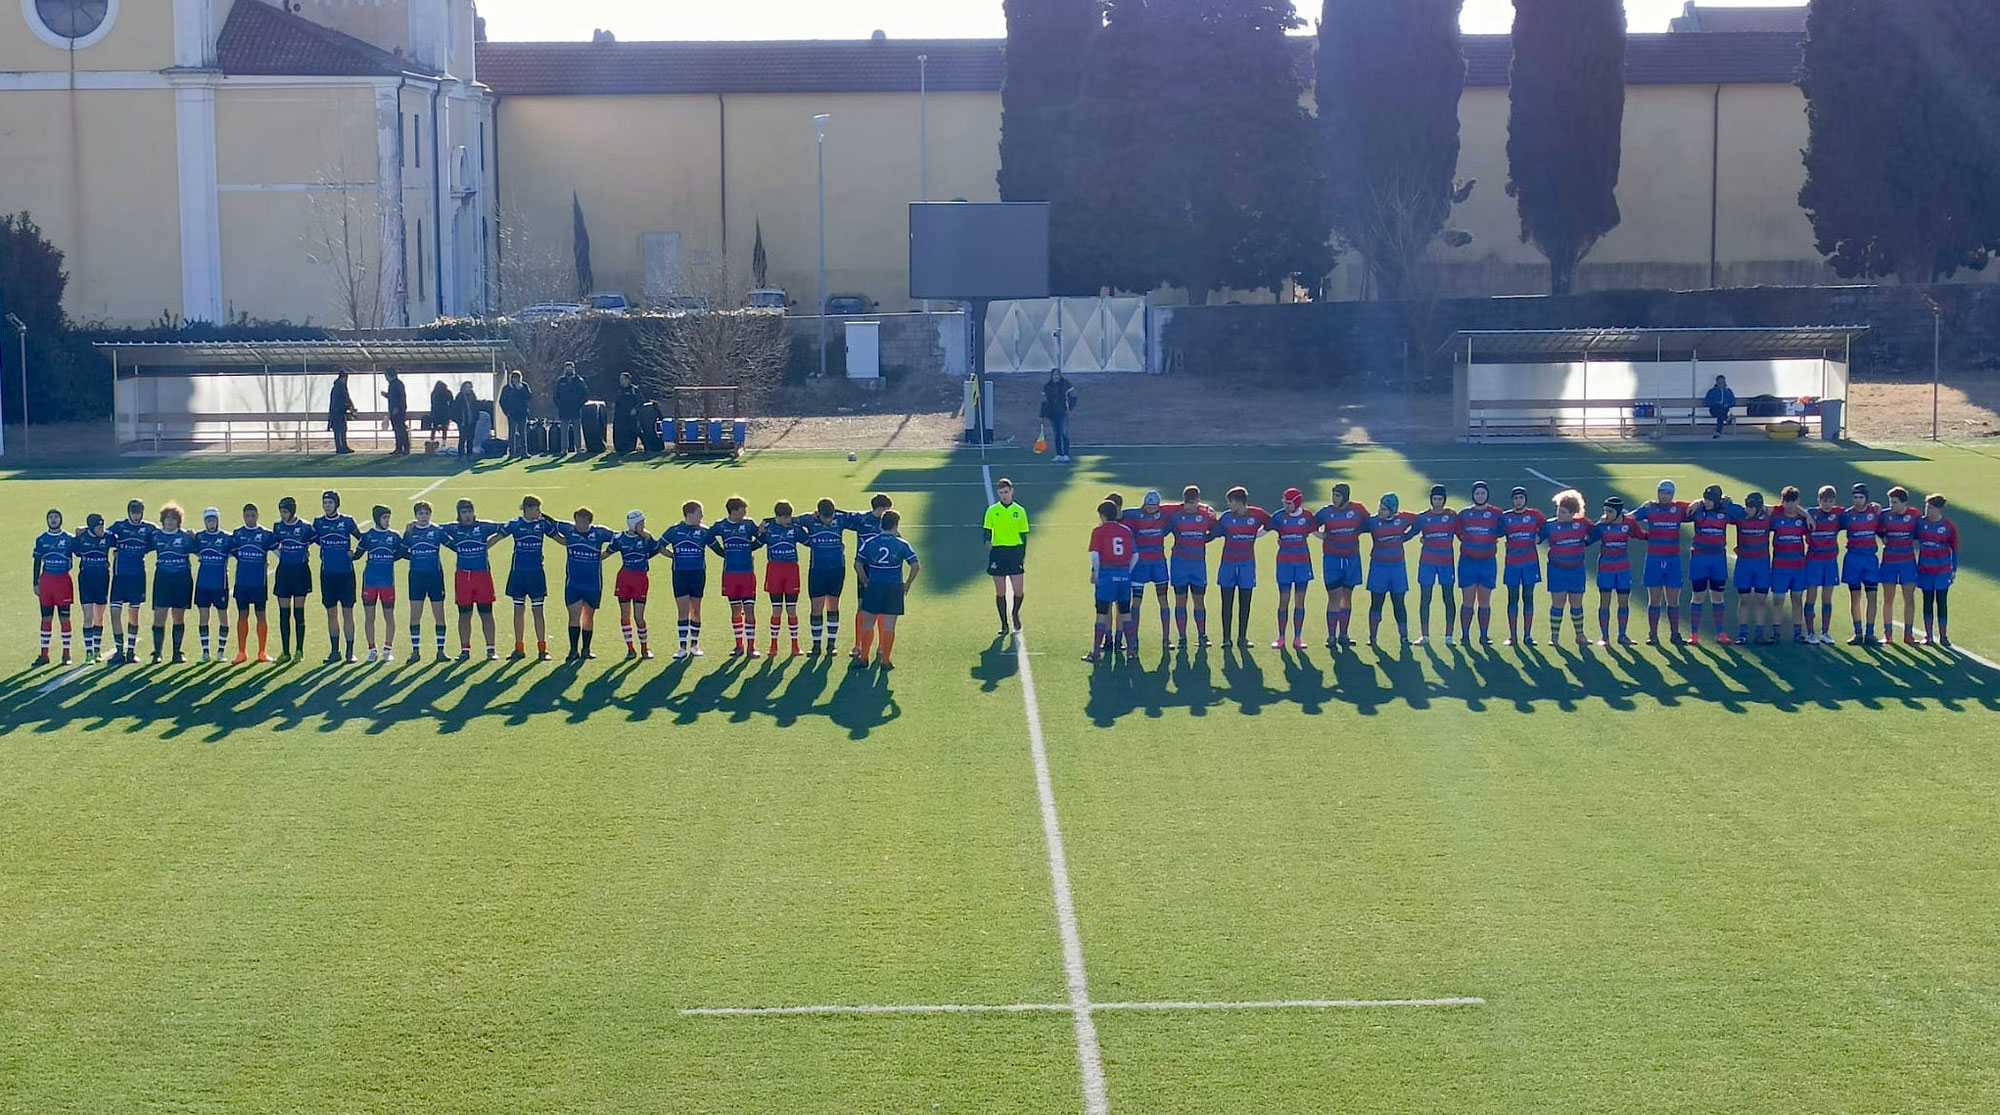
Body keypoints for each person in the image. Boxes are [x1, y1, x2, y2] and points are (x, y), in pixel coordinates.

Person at [852, 509, 920, 668]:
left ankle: (864, 658)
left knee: (868, 623)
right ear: (896, 525)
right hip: (894, 588)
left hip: (874, 586)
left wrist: (865, 580)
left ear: (881, 524)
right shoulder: (902, 544)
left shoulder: (870, 542)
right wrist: (907, 583)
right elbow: (915, 566)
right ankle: (885, 660)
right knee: (889, 625)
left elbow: (857, 563)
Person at [442, 499, 504, 660]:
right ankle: (465, 649)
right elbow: (432, 528)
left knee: (486, 612)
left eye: (469, 511)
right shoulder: (454, 528)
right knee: (464, 613)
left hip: (482, 575)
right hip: (463, 576)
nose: (467, 515)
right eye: (464, 512)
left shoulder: (483, 527)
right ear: (459, 515)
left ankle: (491, 649)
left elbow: (506, 528)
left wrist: (490, 543)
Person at [1631, 480, 1691, 645]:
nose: (1664, 495)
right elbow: (1630, 518)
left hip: (1673, 560)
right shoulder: (1649, 508)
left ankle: (1675, 634)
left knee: (1673, 600)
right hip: (1654, 559)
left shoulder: (1679, 508)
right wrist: (1641, 534)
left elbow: (1697, 508)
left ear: (1672, 494)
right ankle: (1653, 634)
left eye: (1667, 493)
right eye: (1661, 492)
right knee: (1654, 599)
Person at [555, 507, 618, 660]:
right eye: (577, 521)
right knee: (574, 615)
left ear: (589, 522)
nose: (579, 524)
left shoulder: (599, 533)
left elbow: (619, 538)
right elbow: (550, 523)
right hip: (574, 583)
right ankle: (573, 650)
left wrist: (607, 553)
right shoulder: (569, 530)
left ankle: (586, 649)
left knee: (588, 616)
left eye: (583, 521)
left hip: (593, 584)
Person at [500, 495, 558, 660]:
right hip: (518, 573)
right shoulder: (515, 524)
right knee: (518, 610)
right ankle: (519, 648)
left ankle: (542, 649)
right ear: (527, 509)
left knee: (538, 610)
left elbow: (561, 539)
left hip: (536, 573)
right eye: (536, 509)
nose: (539, 512)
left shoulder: (543, 524)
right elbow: (497, 537)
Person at [1213, 486, 1269, 650]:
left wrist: (1258, 534)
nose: (1228, 505)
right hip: (1228, 565)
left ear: (1238, 502)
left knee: (1245, 603)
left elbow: (1273, 523)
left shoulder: (1257, 514)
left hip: (1247, 565)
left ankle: (1242, 638)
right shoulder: (1226, 517)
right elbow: (1213, 533)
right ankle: (1226, 638)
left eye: (1229, 502)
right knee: (1227, 603)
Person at [1314, 483, 1368, 648]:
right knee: (1334, 596)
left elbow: (1370, 524)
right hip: (1332, 560)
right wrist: (1323, 537)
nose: (1334, 499)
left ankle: (1343, 634)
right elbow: (1310, 526)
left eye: (1337, 495)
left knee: (1347, 596)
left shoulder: (1358, 509)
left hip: (1352, 558)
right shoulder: (1326, 512)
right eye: (1333, 495)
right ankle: (1331, 636)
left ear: (1345, 497)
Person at [1686, 485, 1741, 646]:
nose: (1707, 502)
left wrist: (1727, 502)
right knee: (1698, 596)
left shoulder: (1725, 511)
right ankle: (1694, 634)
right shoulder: (1698, 510)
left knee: (1717, 596)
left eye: (1711, 499)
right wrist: (1697, 501)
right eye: (1705, 498)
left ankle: (1720, 633)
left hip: (1718, 560)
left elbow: (1741, 512)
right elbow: (1683, 513)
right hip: (1699, 559)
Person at [1120, 491, 1173, 652]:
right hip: (1140, 566)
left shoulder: (1164, 514)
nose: (1151, 509)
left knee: (1163, 600)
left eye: (1154, 506)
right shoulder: (1134, 515)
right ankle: (1133, 638)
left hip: (1158, 564)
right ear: (1144, 504)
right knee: (1136, 602)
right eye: (1149, 506)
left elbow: (1180, 507)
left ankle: (1166, 639)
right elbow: (1119, 514)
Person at [105, 499, 157, 665]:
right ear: (128, 512)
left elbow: (164, 536)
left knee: (134, 613)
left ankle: (131, 651)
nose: (136, 515)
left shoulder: (148, 528)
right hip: (120, 576)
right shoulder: (119, 526)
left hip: (137, 576)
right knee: (114, 612)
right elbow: (102, 534)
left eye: (138, 511)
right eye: (133, 511)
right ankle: (119, 650)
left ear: (143, 512)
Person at [1540, 490, 1594, 650]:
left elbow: (1598, 531)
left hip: (1576, 570)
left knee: (1576, 604)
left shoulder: (1582, 524)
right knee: (1557, 604)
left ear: (1573, 513)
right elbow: (1537, 538)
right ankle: (1554, 637)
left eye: (1563, 512)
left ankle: (1580, 635)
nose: (1559, 514)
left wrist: (1587, 542)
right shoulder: (1550, 525)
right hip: (1556, 571)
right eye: (1559, 510)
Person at [314, 490, 363, 664]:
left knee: (348, 613)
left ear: (336, 504)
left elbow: (363, 539)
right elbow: (310, 538)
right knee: (331, 613)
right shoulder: (318, 522)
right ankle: (335, 651)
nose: (327, 505)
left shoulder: (347, 521)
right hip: (327, 574)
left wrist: (356, 554)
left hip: (346, 574)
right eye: (325, 502)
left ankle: (350, 652)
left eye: (330, 502)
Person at [713, 496, 765, 657]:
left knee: (749, 610)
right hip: (730, 575)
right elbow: (707, 537)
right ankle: (738, 646)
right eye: (743, 509)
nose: (745, 512)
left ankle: (751, 647)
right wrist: (722, 552)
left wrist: (751, 548)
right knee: (736, 610)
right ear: (734, 511)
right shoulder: (721, 525)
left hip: (747, 574)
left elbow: (761, 538)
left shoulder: (748, 524)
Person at [1362, 494, 1417, 647]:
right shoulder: (1373, 522)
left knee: (1399, 603)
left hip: (1397, 568)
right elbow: (1357, 528)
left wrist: (1407, 536)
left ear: (1393, 510)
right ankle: (1372, 638)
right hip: (1378, 568)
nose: (1380, 511)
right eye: (1380, 507)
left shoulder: (1403, 519)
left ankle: (1404, 636)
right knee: (1376, 603)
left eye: (1384, 509)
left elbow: (1419, 522)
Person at [664, 501, 716, 658]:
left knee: (696, 609)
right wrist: (673, 556)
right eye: (700, 513)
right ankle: (682, 647)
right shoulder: (674, 530)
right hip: (680, 574)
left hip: (698, 574)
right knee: (682, 610)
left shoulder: (704, 531)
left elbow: (718, 549)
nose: (702, 516)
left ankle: (694, 645)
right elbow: (659, 546)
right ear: (690, 514)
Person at [1086, 500, 1137, 662]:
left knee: (1102, 612)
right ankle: (1130, 650)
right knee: (1125, 612)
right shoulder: (1126, 531)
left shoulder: (1098, 531)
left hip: (1107, 574)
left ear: (1102, 515)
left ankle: (1096, 652)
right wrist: (1126, 571)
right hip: (1123, 575)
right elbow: (1135, 555)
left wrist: (1097, 572)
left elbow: (1095, 555)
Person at [403, 501, 453, 662]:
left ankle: (441, 651)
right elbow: (402, 550)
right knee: (415, 615)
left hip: (435, 577)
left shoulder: (437, 530)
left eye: (426, 513)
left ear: (430, 514)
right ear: (415, 515)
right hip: (416, 577)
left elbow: (452, 544)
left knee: (439, 614)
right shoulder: (410, 531)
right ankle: (415, 651)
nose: (423, 517)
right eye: (420, 514)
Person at [1267, 489, 1316, 650]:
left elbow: (1317, 532)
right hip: (1284, 564)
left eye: (1289, 503)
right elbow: (1263, 530)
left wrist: (1331, 538)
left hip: (1302, 564)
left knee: (1300, 600)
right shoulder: (1279, 516)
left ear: (1297, 502)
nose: (1286, 506)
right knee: (1284, 600)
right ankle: (1281, 637)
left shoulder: (1307, 516)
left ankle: (1298, 637)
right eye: (1284, 503)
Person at [1454, 482, 1502, 645]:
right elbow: (1458, 533)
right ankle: (1465, 635)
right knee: (1467, 599)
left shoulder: (1496, 513)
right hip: (1468, 562)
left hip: (1487, 563)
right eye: (1477, 493)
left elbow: (1502, 531)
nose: (1480, 496)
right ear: (1473, 495)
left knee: (1484, 600)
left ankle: (1483, 635)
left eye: (1483, 493)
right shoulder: (1464, 514)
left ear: (1487, 495)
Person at [1499, 486, 1546, 647]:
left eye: (1521, 498)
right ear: (1512, 500)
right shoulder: (1506, 517)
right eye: (1516, 498)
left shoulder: (1535, 515)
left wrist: (1540, 537)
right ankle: (1513, 636)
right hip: (1512, 563)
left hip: (1530, 563)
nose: (1518, 501)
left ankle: (1527, 635)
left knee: (1528, 597)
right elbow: (1496, 532)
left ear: (1525, 499)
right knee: (1512, 598)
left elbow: (1547, 527)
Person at [149, 503, 196, 664]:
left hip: (182, 579)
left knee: (178, 615)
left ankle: (177, 652)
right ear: (162, 520)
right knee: (159, 615)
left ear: (178, 521)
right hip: (162, 579)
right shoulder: (156, 536)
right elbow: (139, 547)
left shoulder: (185, 537)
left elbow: (200, 549)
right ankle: (157, 652)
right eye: (167, 518)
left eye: (173, 518)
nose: (170, 521)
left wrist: (195, 536)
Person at [983, 478, 1031, 636]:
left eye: (1006, 492)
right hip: (998, 552)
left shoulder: (1020, 511)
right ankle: (1004, 624)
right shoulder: (992, 510)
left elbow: (1023, 535)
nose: (1004, 495)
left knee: (1018, 590)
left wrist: (1023, 554)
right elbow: (987, 530)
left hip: (1015, 552)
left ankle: (1015, 613)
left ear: (1012, 491)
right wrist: (987, 541)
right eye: (1001, 493)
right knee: (1000, 591)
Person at [1411, 485, 1457, 646]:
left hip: (1446, 564)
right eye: (1435, 499)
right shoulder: (1422, 517)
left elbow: (1464, 533)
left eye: (1440, 499)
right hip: (1427, 563)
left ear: (1444, 500)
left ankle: (1449, 636)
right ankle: (1425, 636)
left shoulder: (1452, 516)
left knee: (1448, 597)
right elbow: (1410, 533)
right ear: (1431, 499)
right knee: (1425, 598)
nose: (1437, 502)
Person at [357, 506, 404, 662]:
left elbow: (401, 553)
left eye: (388, 517)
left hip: (387, 583)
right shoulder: (368, 536)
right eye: (384, 517)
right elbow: (357, 555)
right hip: (369, 582)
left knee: (389, 616)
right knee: (370, 617)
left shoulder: (395, 536)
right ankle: (372, 649)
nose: (387, 521)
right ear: (377, 519)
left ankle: (387, 649)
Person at [803, 499, 850, 655]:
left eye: (830, 517)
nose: (828, 520)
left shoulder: (840, 518)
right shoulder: (809, 520)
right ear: (818, 514)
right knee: (816, 608)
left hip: (837, 569)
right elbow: (788, 519)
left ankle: (831, 645)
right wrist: (766, 522)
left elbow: (859, 517)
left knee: (833, 605)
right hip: (817, 570)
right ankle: (816, 645)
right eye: (825, 517)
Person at [271, 496, 315, 660]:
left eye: (286, 511)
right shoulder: (277, 526)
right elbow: (273, 544)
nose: (283, 515)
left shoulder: (305, 527)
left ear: (292, 511)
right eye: (281, 511)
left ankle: (299, 650)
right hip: (284, 573)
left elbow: (318, 540)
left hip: (300, 572)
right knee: (284, 613)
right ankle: (285, 651)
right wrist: (280, 556)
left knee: (299, 613)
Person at [612, 511, 661, 659]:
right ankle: (630, 649)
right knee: (625, 616)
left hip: (640, 580)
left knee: (639, 617)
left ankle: (645, 648)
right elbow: (606, 553)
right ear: (633, 525)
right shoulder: (620, 538)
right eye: (641, 524)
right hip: (624, 579)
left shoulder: (647, 538)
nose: (643, 526)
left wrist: (674, 555)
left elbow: (658, 548)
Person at [761, 502, 807, 657]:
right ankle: (773, 645)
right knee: (776, 609)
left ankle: (795, 645)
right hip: (774, 570)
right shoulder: (768, 527)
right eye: (785, 518)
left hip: (792, 570)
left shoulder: (794, 529)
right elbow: (758, 541)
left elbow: (808, 541)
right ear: (777, 517)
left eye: (789, 517)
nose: (788, 520)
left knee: (792, 609)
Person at [231, 504, 276, 663]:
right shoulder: (237, 534)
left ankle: (262, 652)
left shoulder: (265, 534)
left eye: (252, 515)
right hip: (242, 582)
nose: (250, 518)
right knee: (242, 615)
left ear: (257, 515)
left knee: (261, 615)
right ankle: (241, 652)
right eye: (247, 516)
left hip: (259, 583)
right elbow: (229, 551)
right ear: (243, 516)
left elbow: (279, 552)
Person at [1839, 482, 1883, 646]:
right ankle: (1858, 633)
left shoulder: (1875, 513)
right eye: (1855, 497)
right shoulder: (1847, 515)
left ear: (1866, 499)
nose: (1857, 500)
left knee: (1872, 596)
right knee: (1855, 597)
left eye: (1861, 497)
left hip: (1870, 560)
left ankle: (1870, 633)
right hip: (1853, 560)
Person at [1878, 487, 1923, 645]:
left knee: (1909, 598)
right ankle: (1887, 634)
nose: (1891, 505)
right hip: (1889, 561)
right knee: (1888, 599)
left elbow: (1920, 533)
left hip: (1907, 562)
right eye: (1890, 502)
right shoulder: (1884, 515)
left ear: (1904, 502)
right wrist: (1883, 537)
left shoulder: (1914, 515)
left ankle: (1908, 634)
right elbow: (1877, 529)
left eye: (1895, 502)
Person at [31, 509, 75, 666]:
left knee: (65, 618)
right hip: (47, 582)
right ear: (47, 520)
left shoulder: (69, 538)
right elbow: (36, 562)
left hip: (63, 581)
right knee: (46, 618)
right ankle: (44, 655)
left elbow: (81, 550)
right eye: (51, 517)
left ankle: (66, 654)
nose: (54, 520)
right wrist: (35, 583)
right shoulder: (42, 539)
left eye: (56, 517)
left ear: (61, 519)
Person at [1730, 492, 1775, 645]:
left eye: (1751, 507)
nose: (1747, 509)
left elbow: (1788, 509)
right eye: (1747, 506)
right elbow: (1722, 504)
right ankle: (1742, 634)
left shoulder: (1768, 517)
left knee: (1761, 600)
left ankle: (1759, 633)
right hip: (1744, 564)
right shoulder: (1740, 515)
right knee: (1744, 599)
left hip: (1761, 564)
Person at [1593, 496, 1638, 647]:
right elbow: (1586, 540)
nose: (1606, 514)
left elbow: (1641, 534)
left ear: (1619, 512)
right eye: (1605, 511)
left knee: (1623, 603)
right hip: (1605, 569)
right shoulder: (1601, 526)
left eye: (1610, 511)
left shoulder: (1629, 524)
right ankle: (1605, 637)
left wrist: (1658, 536)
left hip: (1623, 570)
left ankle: (1622, 635)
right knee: (1604, 603)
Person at [1769, 487, 1812, 644]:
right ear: (1782, 502)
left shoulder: (1802, 521)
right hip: (1780, 567)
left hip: (1798, 567)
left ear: (1798, 501)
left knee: (1797, 599)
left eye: (1792, 501)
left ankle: (1798, 632)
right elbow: (1766, 508)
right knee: (1778, 599)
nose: (1789, 505)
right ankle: (1776, 632)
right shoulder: (1776, 517)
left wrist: (1806, 515)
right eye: (1786, 501)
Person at [1803, 485, 1844, 645]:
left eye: (1831, 501)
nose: (1828, 504)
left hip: (1830, 561)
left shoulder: (1838, 514)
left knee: (1827, 598)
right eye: (1825, 501)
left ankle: (1825, 632)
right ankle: (1811, 632)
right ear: (1819, 500)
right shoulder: (1811, 513)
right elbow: (1798, 510)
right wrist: (1805, 515)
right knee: (1811, 596)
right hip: (1813, 561)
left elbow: (1857, 511)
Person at [1916, 494, 1957, 648]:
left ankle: (1943, 636)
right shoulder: (1920, 523)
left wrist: (1954, 569)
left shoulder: (1948, 526)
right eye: (1926, 507)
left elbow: (1955, 548)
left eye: (1930, 507)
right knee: (1927, 602)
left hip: (1942, 571)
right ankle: (1928, 636)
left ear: (1938, 509)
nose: (1927, 510)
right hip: (1925, 570)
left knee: (1941, 603)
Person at [192, 508, 232, 661]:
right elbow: (192, 549)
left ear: (218, 520)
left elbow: (236, 551)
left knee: (223, 616)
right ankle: (205, 652)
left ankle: (221, 652)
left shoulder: (226, 537)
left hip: (220, 584)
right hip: (203, 584)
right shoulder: (200, 537)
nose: (211, 523)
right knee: (203, 617)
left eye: (213, 520)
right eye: (208, 520)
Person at [72, 513, 111, 662]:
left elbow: (119, 540)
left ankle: (97, 649)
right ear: (91, 527)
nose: (102, 529)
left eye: (103, 526)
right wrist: (77, 533)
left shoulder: (107, 537)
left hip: (102, 579)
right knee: (88, 616)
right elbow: (75, 549)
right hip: (86, 580)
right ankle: (89, 653)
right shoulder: (82, 538)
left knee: (99, 617)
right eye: (99, 527)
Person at [1041, 369, 1078, 463]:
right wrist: (1042, 414)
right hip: (1052, 414)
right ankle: (1058, 454)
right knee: (1056, 434)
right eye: (1054, 375)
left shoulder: (1066, 384)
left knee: (1064, 433)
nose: (1056, 377)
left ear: (1060, 376)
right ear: (1051, 376)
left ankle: (1066, 454)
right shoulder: (1047, 386)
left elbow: (1074, 396)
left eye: (1057, 375)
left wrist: (1069, 408)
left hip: (1063, 413)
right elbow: (1044, 402)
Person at [554, 361, 588, 455]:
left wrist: (579, 405)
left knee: (577, 430)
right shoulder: (560, 381)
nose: (569, 370)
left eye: (571, 368)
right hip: (564, 410)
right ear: (565, 369)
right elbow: (555, 396)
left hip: (575, 410)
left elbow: (585, 394)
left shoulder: (579, 380)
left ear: (574, 369)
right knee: (564, 431)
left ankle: (578, 449)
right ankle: (564, 450)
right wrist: (559, 405)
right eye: (567, 368)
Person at [499, 369, 533, 459]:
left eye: (517, 377)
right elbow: (502, 401)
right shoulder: (507, 388)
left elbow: (529, 396)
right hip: (512, 414)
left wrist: (521, 389)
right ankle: (511, 453)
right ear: (511, 378)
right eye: (514, 378)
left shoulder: (524, 386)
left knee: (523, 433)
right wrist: (507, 412)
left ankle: (524, 452)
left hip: (522, 413)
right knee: (512, 434)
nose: (515, 379)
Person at [612, 371, 642, 455]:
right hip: (620, 416)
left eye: (622, 379)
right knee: (619, 432)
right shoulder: (619, 391)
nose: (620, 381)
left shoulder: (634, 389)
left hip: (631, 417)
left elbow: (640, 402)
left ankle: (630, 448)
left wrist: (635, 409)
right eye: (620, 379)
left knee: (631, 432)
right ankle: (619, 449)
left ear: (628, 380)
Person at [328, 370, 359, 454]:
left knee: (339, 430)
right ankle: (342, 447)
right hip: (339, 412)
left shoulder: (336, 387)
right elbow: (346, 398)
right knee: (341, 430)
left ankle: (341, 447)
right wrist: (351, 408)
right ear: (343, 378)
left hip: (336, 412)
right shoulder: (341, 387)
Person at [383, 367, 411, 455]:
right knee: (397, 429)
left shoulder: (397, 384)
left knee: (401, 429)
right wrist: (386, 395)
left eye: (386, 375)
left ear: (389, 375)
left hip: (398, 410)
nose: (385, 378)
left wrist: (397, 408)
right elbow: (394, 397)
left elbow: (400, 398)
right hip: (394, 409)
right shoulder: (394, 384)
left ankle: (405, 448)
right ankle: (399, 447)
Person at [454, 381, 481, 462]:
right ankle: (461, 455)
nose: (468, 389)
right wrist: (458, 420)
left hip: (472, 421)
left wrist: (476, 417)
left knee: (471, 438)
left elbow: (476, 407)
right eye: (466, 387)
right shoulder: (460, 397)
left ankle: (470, 454)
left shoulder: (473, 396)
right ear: (462, 388)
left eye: (469, 387)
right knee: (462, 438)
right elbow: (456, 409)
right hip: (463, 421)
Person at [1703, 374, 1736, 439]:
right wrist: (1715, 403)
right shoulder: (1712, 391)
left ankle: (1718, 432)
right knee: (1720, 411)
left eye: (1722, 382)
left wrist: (1727, 404)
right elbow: (1707, 401)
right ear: (1716, 382)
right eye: (1719, 382)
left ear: (1724, 382)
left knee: (1721, 413)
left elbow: (1733, 402)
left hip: (1724, 409)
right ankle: (1726, 419)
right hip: (1714, 410)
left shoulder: (1728, 391)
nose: (1721, 384)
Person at [428, 379, 454, 445]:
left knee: (434, 428)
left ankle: (432, 441)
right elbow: (451, 402)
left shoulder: (434, 393)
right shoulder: (447, 392)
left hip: (436, 413)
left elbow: (433, 403)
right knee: (444, 429)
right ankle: (444, 443)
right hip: (445, 413)